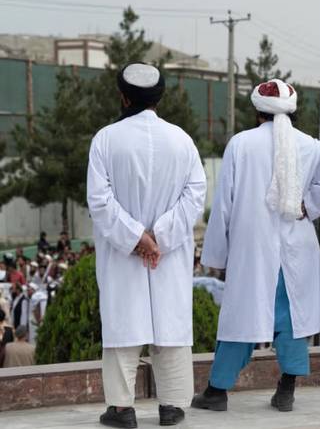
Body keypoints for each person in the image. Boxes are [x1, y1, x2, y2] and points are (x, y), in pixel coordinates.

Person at [191, 79, 320, 413]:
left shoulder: (241, 144)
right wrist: (310, 204)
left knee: (241, 315)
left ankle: (217, 391)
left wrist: (216, 255)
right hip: (295, 249)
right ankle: (286, 390)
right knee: (291, 318)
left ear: (258, 112)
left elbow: (223, 203)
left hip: (251, 249)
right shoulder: (308, 145)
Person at [87, 62, 207, 428]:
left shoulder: (105, 139)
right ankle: (172, 406)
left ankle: (122, 409)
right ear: (159, 98)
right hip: (166, 255)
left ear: (124, 97)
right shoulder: (182, 140)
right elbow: (195, 196)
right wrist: (160, 238)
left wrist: (136, 237)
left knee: (123, 323)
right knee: (170, 322)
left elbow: (99, 200)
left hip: (123, 253)